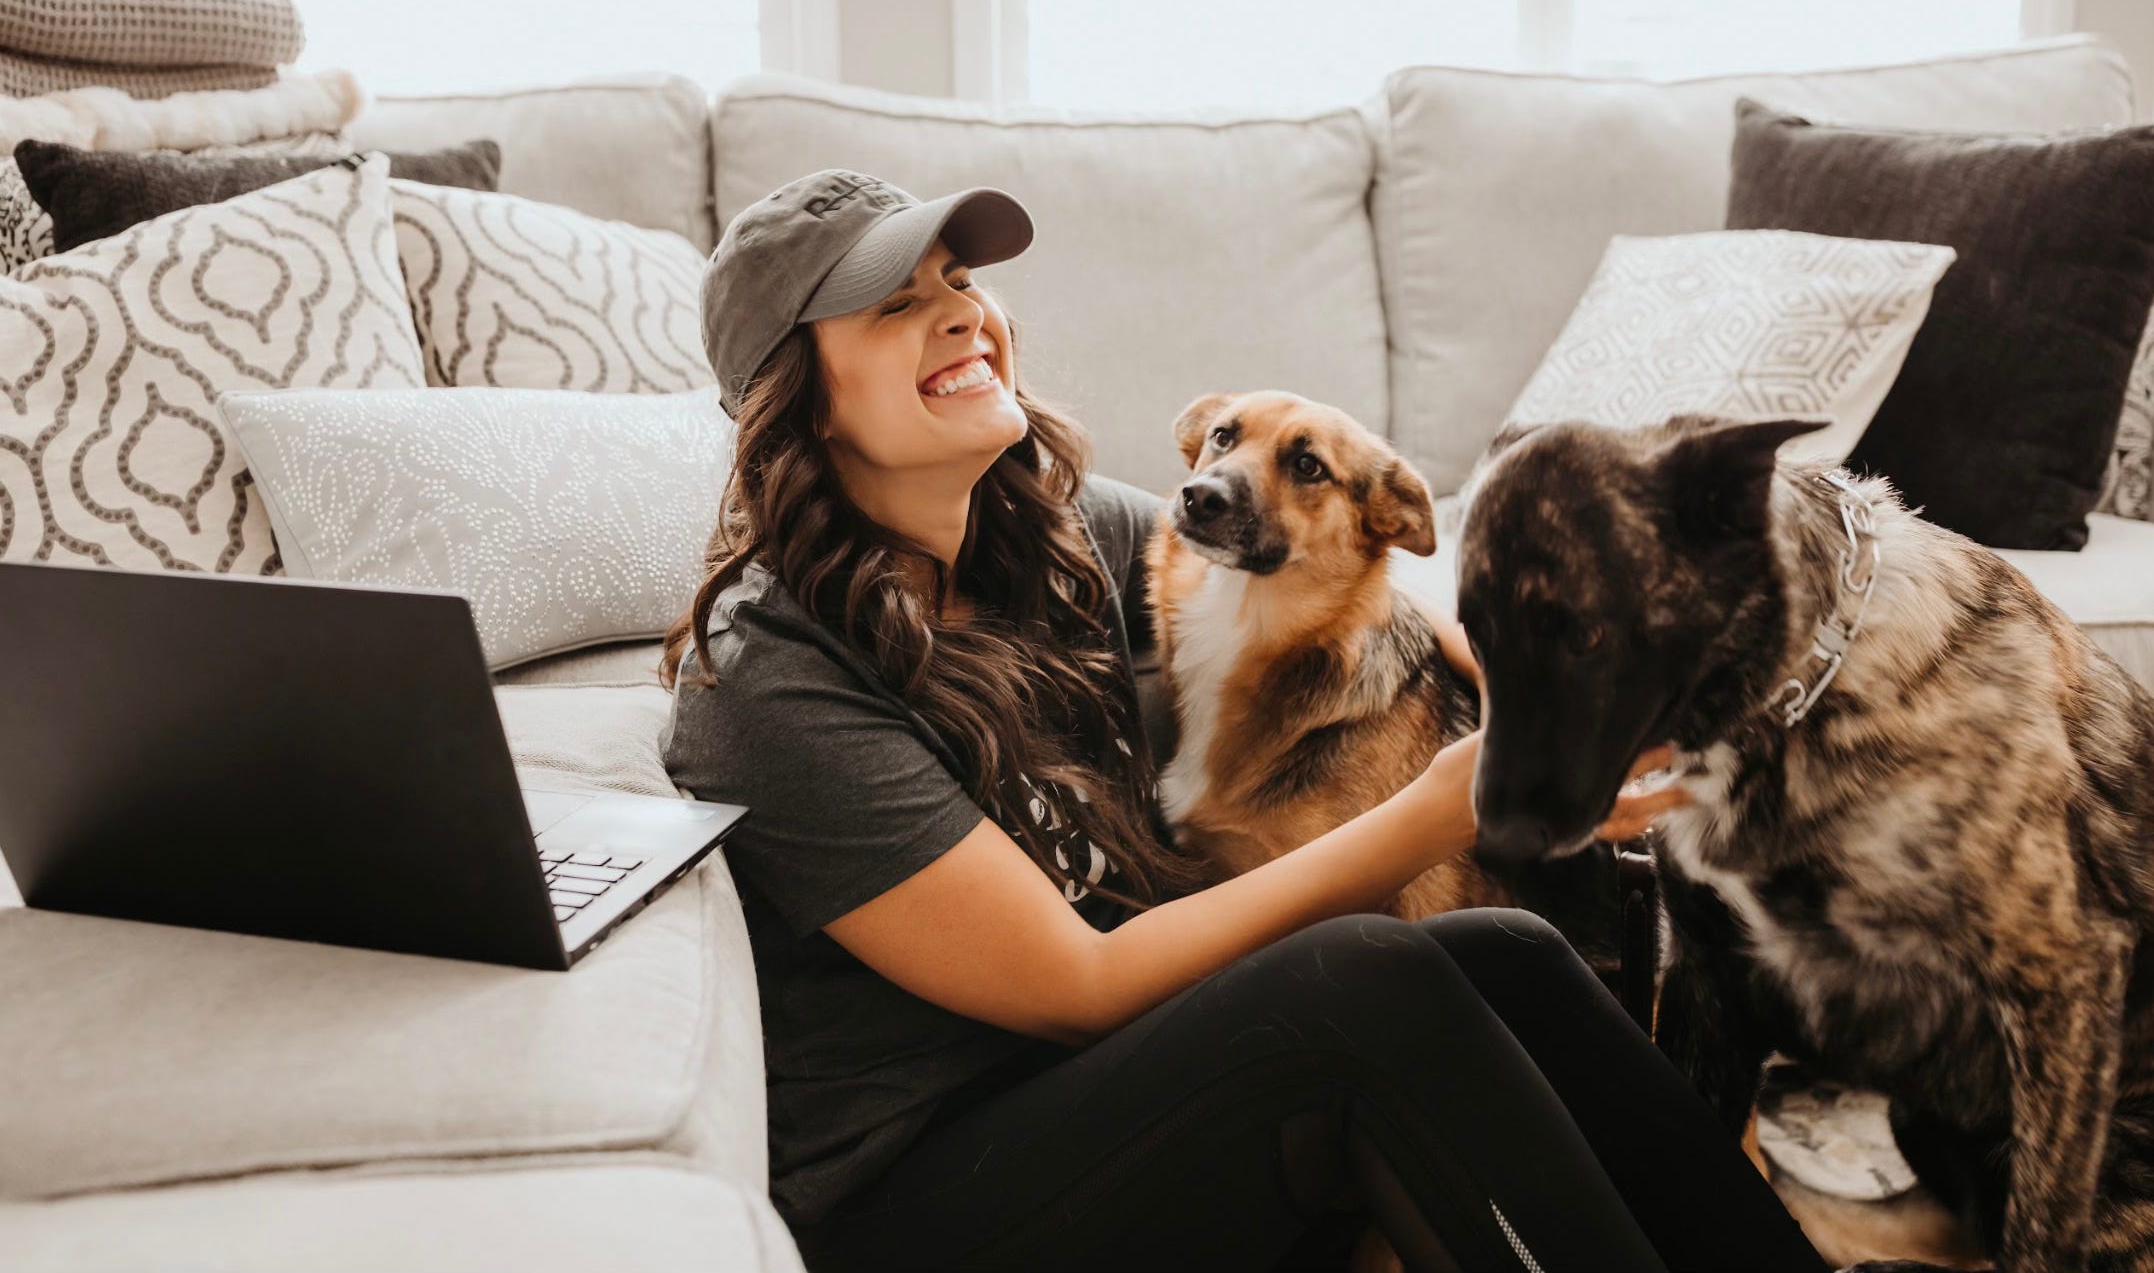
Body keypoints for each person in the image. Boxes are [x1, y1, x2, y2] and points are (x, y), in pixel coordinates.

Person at [658, 169, 1823, 1273]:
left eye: (959, 281)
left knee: (1502, 948)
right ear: (795, 400)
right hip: (932, 1194)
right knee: (1366, 976)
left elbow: (1346, 577)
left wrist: (1538, 706)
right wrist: (1442, 806)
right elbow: (1078, 986)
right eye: (896, 305)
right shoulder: (771, 681)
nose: (961, 313)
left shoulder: (1048, 535)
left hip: (1123, 1090)